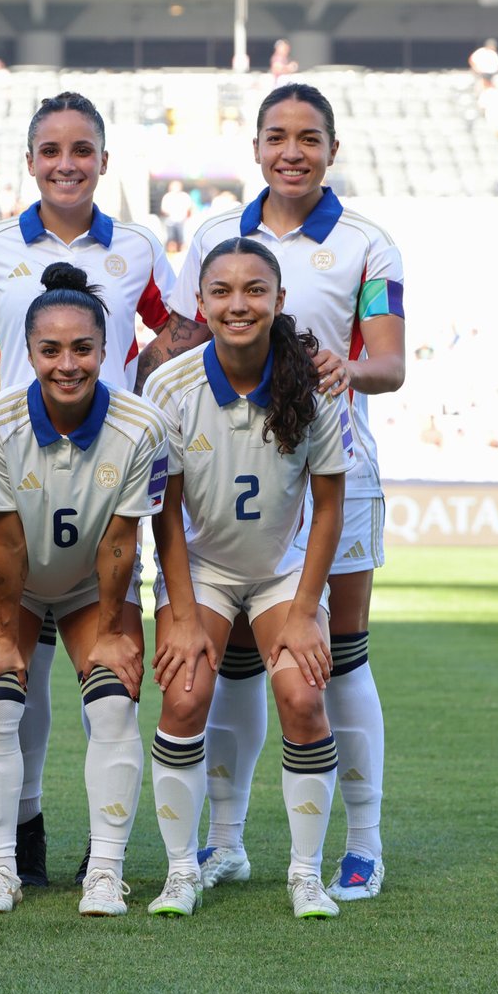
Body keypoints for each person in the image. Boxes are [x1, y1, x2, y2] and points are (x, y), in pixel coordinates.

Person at [140, 82, 406, 902]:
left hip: (334, 465)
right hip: (227, 467)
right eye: (277, 136)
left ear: (332, 148)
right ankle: (222, 844)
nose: (293, 150)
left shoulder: (367, 243)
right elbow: (182, 343)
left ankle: (360, 845)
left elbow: (389, 364)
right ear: (255, 148)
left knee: (337, 658)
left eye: (309, 137)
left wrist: (341, 368)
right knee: (228, 670)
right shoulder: (218, 234)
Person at [0, 91, 175, 888]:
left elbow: (180, 333)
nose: (67, 164)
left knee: (109, 675)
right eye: (52, 151)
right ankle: (24, 831)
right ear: (30, 161)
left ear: (103, 159)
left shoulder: (138, 247)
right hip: (16, 481)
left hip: (107, 481)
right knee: (14, 679)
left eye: (82, 150)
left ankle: (107, 851)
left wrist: (148, 401)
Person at [142, 237, 350, 919]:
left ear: (279, 300)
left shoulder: (313, 384)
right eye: (222, 291)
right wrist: (175, 611)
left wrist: (303, 608)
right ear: (199, 304)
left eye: (255, 290)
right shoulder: (169, 385)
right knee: (183, 694)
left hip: (279, 572)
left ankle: (305, 874)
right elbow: (165, 514)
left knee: (302, 695)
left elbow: (328, 508)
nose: (239, 303)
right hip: (200, 567)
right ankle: (181, 869)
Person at [0, 263, 168, 918]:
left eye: (82, 347)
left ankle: (105, 871)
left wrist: (112, 628)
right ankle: (0, 871)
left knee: (112, 703)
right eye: (51, 349)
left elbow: (119, 542)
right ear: (29, 352)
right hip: (12, 582)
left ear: (106, 350)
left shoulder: (142, 426)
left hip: (88, 581)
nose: (67, 363)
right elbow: (8, 542)